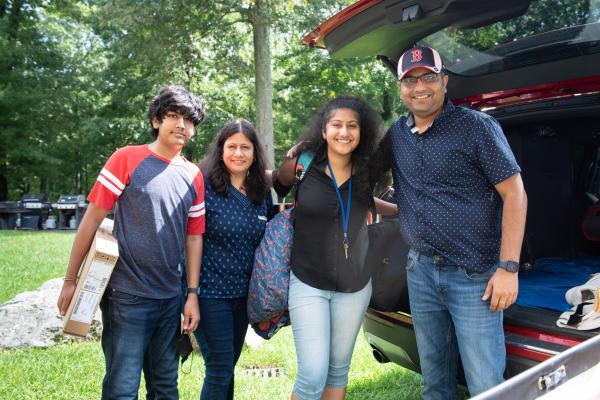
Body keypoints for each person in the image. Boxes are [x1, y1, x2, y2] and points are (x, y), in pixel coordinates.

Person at [369, 46, 528, 399]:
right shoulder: (396, 134)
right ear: (400, 88)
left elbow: (515, 194)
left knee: (486, 384)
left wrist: (509, 268)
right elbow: (359, 182)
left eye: (428, 77)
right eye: (409, 80)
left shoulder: (476, 127)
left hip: (475, 276)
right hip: (420, 271)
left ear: (444, 81)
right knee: (435, 383)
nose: (419, 87)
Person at [56, 85, 206, 400]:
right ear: (156, 120)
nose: (181, 125)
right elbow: (92, 219)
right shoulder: (127, 158)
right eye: (173, 116)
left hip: (170, 298)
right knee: (123, 389)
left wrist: (191, 294)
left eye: (189, 120)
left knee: (165, 387)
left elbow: (194, 237)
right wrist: (70, 280)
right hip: (126, 297)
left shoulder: (194, 175)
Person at [272, 96, 382, 400]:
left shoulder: (368, 168)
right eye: (336, 125)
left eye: (352, 126)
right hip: (308, 282)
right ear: (323, 130)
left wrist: (399, 210)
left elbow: (365, 202)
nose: (343, 132)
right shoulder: (302, 163)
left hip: (356, 285)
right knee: (311, 375)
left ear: (362, 132)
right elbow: (273, 184)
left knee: (337, 370)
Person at [194, 118, 272, 400]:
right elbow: (189, 238)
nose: (238, 153)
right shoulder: (203, 186)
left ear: (255, 153)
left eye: (245, 147)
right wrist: (189, 294)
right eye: (232, 146)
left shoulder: (260, 192)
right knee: (219, 369)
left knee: (227, 368)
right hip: (209, 293)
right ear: (220, 150)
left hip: (243, 296)